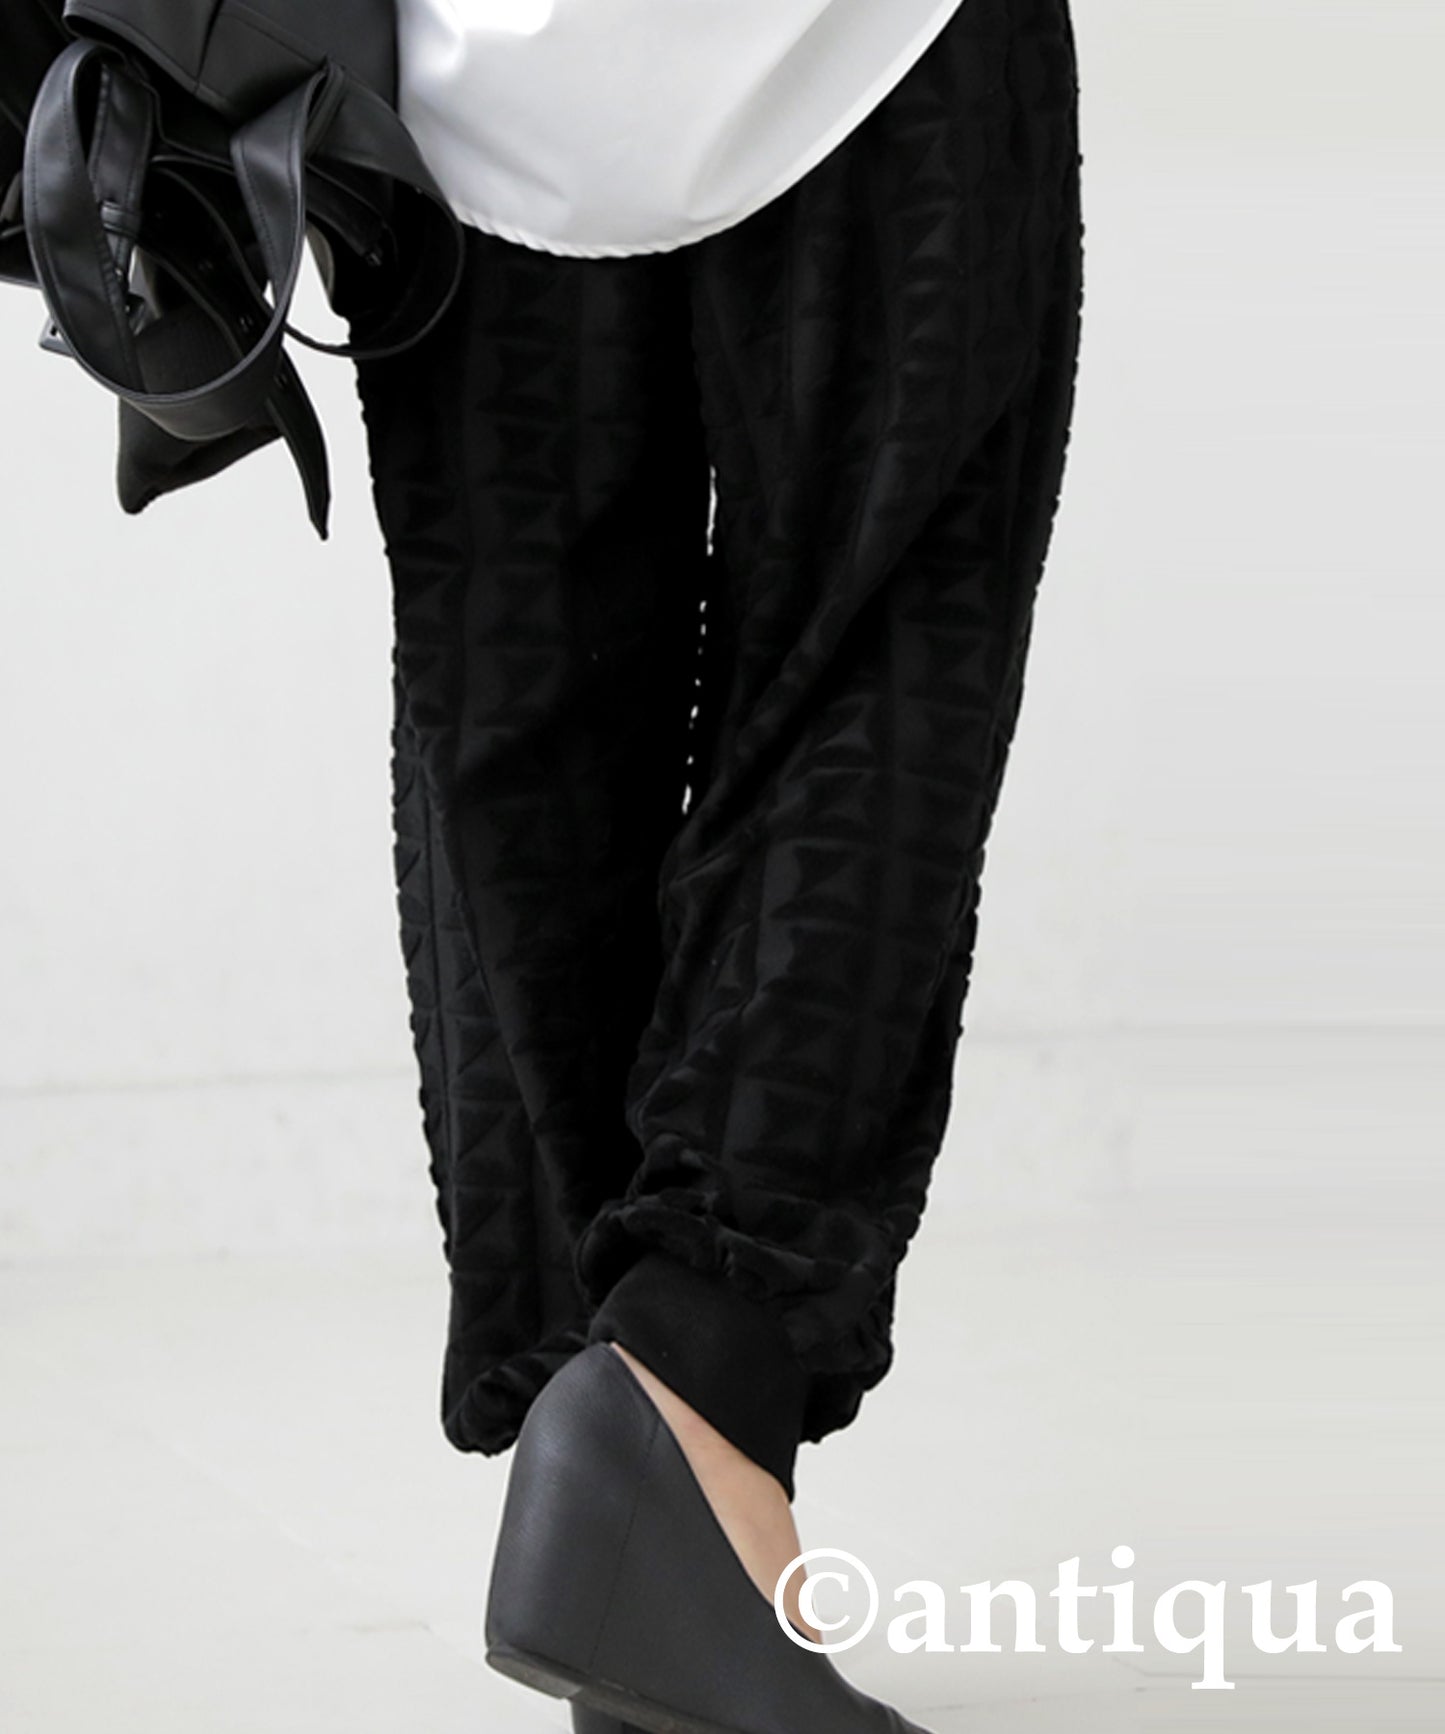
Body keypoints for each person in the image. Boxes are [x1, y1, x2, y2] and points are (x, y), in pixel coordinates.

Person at [352, 1, 1084, 1727]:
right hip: (872, 43)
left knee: (516, 694)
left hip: (465, 79)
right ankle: (682, 1403)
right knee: (883, 625)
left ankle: (647, 1529)